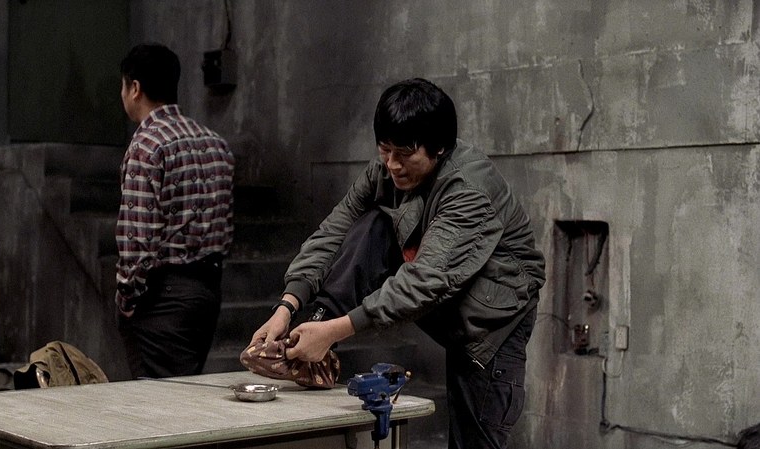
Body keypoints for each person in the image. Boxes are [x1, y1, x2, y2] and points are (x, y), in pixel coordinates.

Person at [249, 78, 545, 449]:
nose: (392, 164)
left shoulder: (469, 190)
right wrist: (287, 307)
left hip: (492, 327)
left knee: (474, 443)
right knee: (373, 225)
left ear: (439, 148)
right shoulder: (387, 170)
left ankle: (322, 333)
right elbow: (333, 233)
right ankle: (313, 330)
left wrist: (337, 332)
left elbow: (424, 281)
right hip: (448, 301)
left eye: (404, 153)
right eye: (384, 150)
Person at [116, 43, 234, 379]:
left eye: (123, 86)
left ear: (135, 88)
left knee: (160, 402)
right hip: (207, 292)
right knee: (185, 394)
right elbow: (225, 228)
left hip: (162, 298)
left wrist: (127, 300)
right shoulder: (216, 143)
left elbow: (138, 241)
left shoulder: (146, 145)